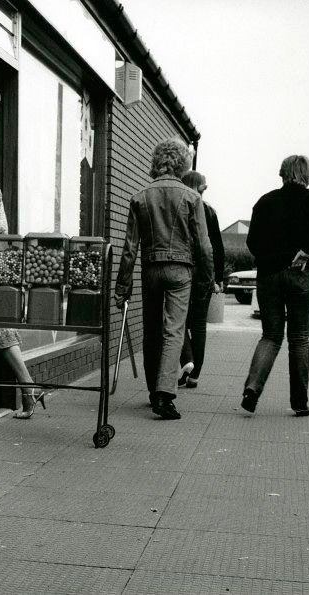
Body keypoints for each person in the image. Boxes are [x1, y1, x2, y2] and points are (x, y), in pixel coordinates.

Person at [114, 138, 213, 420]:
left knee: (152, 329)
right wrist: (207, 278)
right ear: (183, 163)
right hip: (181, 270)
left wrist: (122, 287)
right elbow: (204, 246)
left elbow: (130, 249)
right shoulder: (192, 198)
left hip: (151, 269)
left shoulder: (140, 196)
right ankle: (164, 393)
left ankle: (152, 389)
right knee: (174, 331)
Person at [240, 155, 309, 416]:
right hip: (299, 273)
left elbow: (252, 242)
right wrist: (306, 248)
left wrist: (268, 259)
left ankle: (252, 390)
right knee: (299, 338)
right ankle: (299, 402)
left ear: (283, 173)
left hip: (269, 276)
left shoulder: (266, 201)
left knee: (270, 335)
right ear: (307, 174)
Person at [0, 178, 47, 419]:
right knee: (2, 326)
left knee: (0, 327)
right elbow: (2, 232)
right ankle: (29, 388)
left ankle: (28, 387)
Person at [178, 171, 225, 389]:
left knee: (176, 321)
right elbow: (216, 247)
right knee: (198, 325)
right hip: (204, 275)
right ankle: (195, 374)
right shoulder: (210, 212)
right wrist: (218, 277)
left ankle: (187, 360)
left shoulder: (179, 207)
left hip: (183, 271)